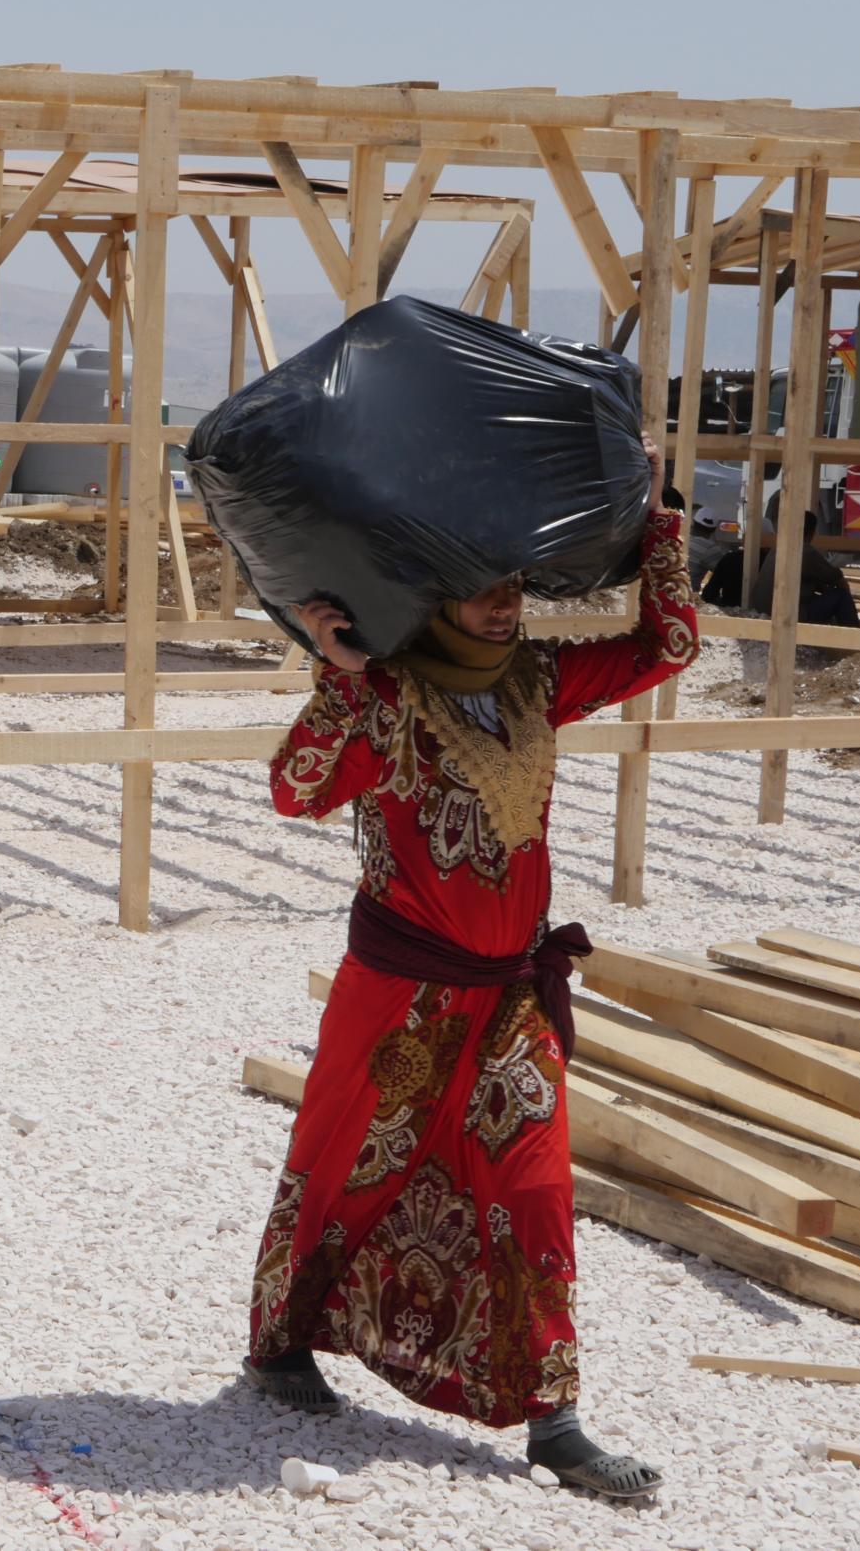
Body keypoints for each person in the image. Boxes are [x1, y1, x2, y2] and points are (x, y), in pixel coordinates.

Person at [245, 434, 694, 1502]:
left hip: (510, 997)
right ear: (434, 597)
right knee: (343, 1161)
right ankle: (279, 1340)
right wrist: (339, 676)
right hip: (396, 992)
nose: (502, 606)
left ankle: (554, 1415)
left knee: (534, 1184)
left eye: (514, 587)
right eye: (479, 590)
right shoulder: (390, 697)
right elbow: (293, 788)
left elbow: (666, 642)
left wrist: (657, 512)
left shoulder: (540, 679)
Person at [744, 508, 860, 627]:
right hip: (786, 616)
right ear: (812, 532)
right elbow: (838, 579)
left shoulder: (778, 547)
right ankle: (855, 639)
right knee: (842, 596)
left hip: (762, 610)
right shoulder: (805, 551)